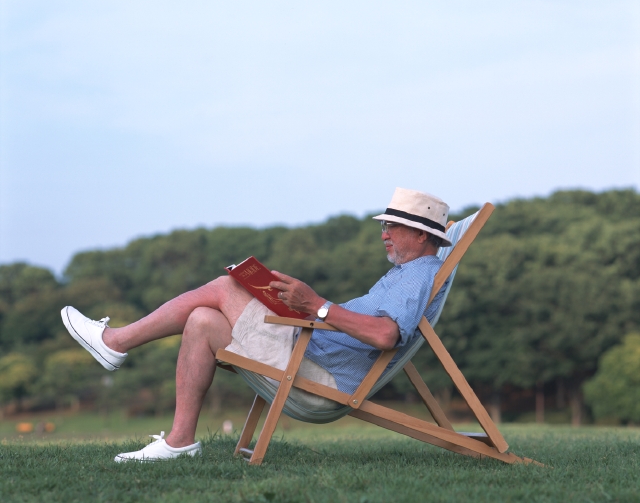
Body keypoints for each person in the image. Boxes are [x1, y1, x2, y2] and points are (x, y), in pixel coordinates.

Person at [61, 187, 452, 462]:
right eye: (383, 226)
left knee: (225, 286)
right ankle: (179, 442)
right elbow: (368, 325)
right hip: (308, 351)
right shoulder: (405, 274)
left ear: (420, 234)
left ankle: (115, 342)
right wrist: (298, 307)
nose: (383, 234)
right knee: (201, 320)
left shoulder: (418, 274)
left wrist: (315, 305)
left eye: (391, 227)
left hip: (318, 377)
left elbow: (385, 334)